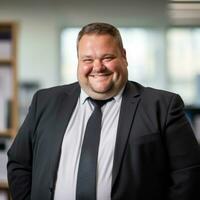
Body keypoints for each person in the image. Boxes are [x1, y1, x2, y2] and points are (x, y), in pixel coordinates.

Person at [7, 22, 200, 200]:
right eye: (87, 59)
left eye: (107, 57)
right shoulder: (45, 102)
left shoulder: (162, 106)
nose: (98, 67)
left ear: (124, 56)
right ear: (78, 61)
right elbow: (19, 163)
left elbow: (188, 173)